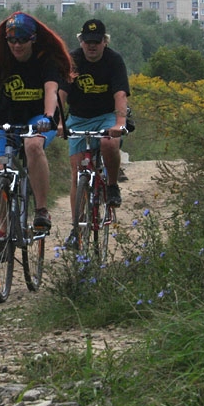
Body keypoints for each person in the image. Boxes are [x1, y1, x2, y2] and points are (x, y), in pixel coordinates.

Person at [0, 11, 73, 232]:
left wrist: (50, 117)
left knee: (33, 145)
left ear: (33, 39)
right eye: (12, 40)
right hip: (6, 119)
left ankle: (41, 209)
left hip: (39, 117)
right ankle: (2, 228)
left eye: (22, 40)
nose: (17, 45)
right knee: (1, 169)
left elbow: (51, 89)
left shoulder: (45, 60)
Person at [59, 19, 130, 246]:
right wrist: (59, 121)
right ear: (81, 42)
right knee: (76, 174)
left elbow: (120, 94)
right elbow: (60, 93)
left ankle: (111, 185)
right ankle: (76, 229)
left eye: (96, 42)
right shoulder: (73, 60)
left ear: (104, 42)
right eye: (87, 42)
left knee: (109, 143)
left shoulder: (114, 60)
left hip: (106, 115)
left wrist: (119, 123)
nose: (92, 46)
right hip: (78, 118)